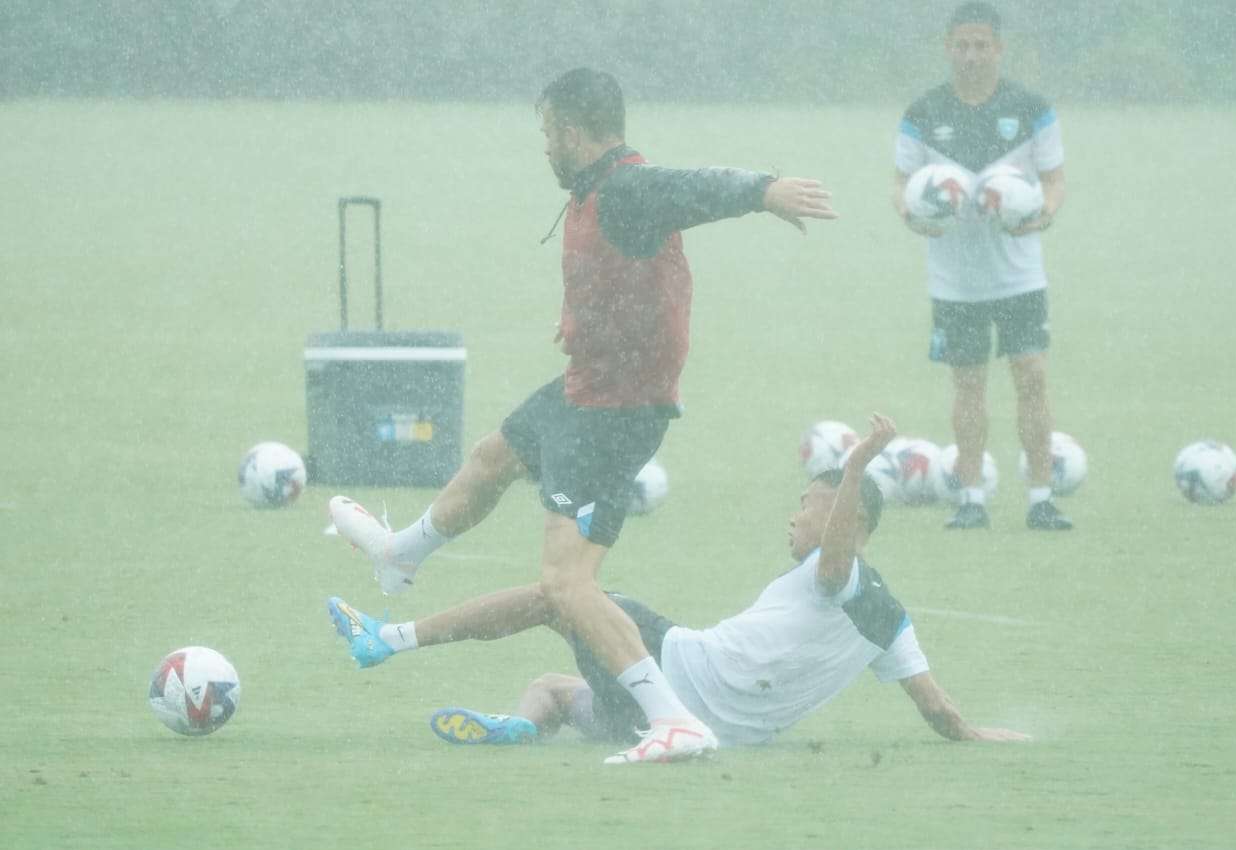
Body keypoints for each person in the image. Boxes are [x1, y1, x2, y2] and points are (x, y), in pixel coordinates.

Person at [328, 67, 839, 764]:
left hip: (615, 416)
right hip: (582, 389)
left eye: (546, 133)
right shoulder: (593, 192)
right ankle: (401, 553)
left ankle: (672, 719)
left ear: (571, 131)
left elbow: (688, 188)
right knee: (492, 457)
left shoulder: (626, 188)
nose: (543, 148)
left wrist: (763, 190)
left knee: (566, 584)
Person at [328, 415, 1030, 755]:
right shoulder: (891, 623)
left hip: (676, 667)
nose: (795, 513)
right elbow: (944, 717)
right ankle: (523, 725)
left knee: (560, 594)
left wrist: (853, 471)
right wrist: (1004, 736)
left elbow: (841, 551)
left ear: (848, 520)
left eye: (808, 506)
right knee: (551, 685)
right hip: (699, 724)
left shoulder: (840, 581)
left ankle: (386, 638)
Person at [892, 2, 1072, 531]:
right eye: (962, 45)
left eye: (981, 46)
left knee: (1032, 378)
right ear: (949, 48)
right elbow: (901, 184)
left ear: (999, 48)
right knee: (968, 385)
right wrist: (910, 214)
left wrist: (1044, 213)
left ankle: (1041, 497)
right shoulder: (923, 113)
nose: (971, 55)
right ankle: (971, 497)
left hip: (1020, 275)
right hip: (956, 281)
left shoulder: (1031, 108)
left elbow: (1055, 180)